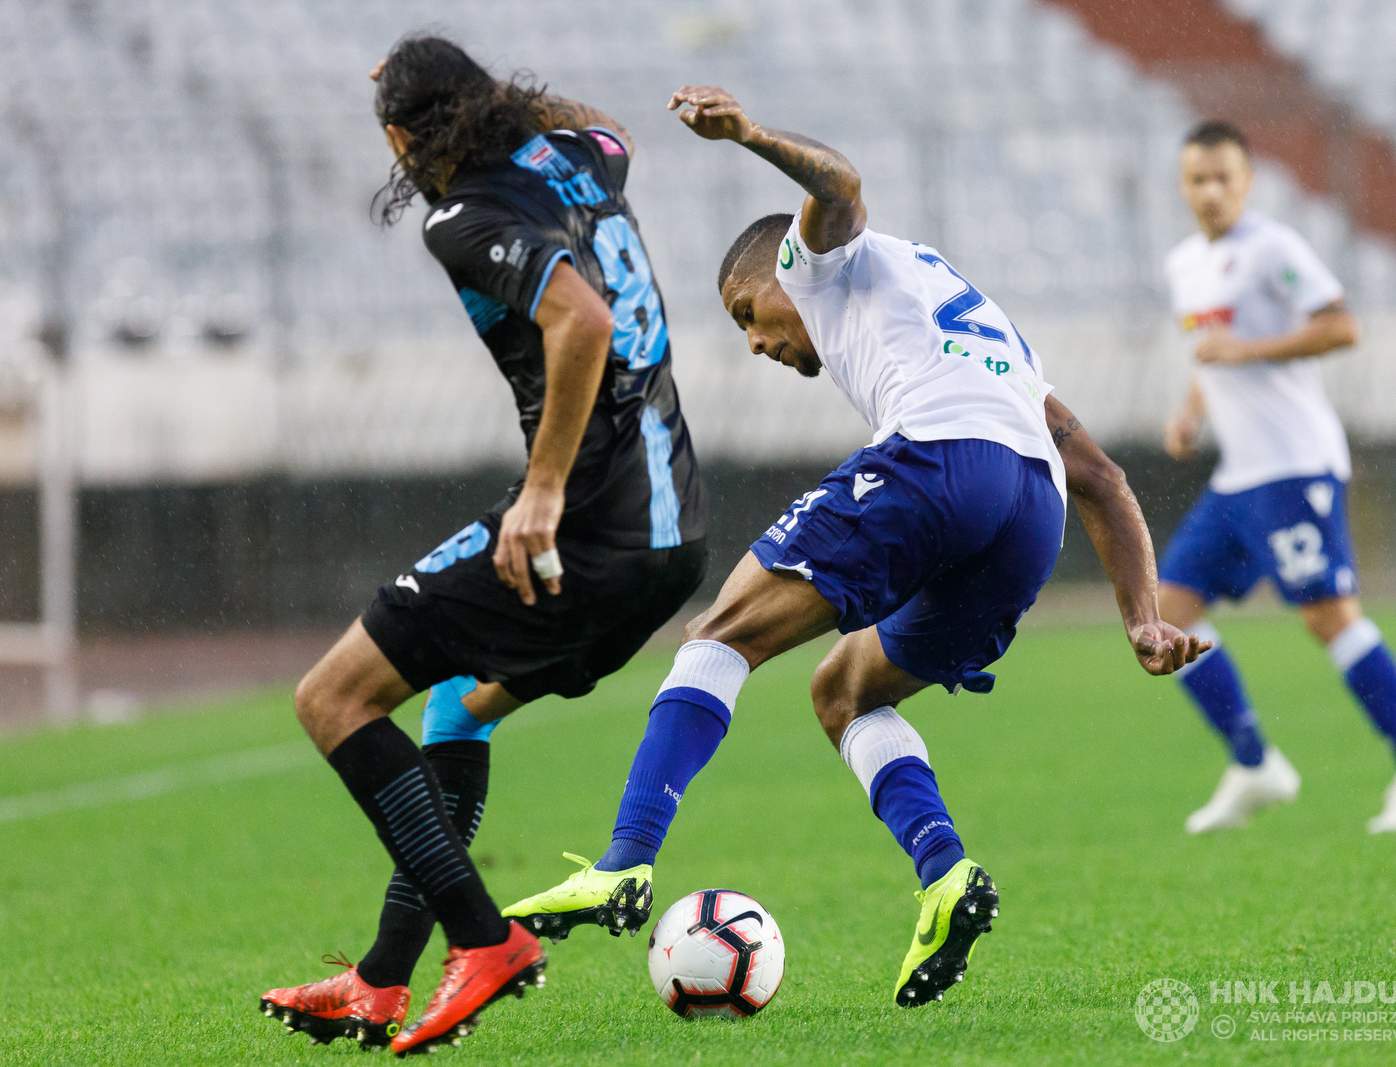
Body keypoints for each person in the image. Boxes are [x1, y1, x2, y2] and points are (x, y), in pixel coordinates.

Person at [501, 86, 1207, 1008]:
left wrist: (748, 135)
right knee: (843, 689)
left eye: (745, 313)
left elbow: (839, 186)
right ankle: (946, 873)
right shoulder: (973, 322)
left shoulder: (818, 265)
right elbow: (1104, 481)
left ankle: (624, 862)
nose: (754, 340)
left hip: (934, 463)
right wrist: (1142, 618)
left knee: (716, 635)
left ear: (772, 273)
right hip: (1027, 511)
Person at [258, 37, 707, 1054]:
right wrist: (512, 102)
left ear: (397, 137)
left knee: (331, 698)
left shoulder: (462, 217)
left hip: (595, 526)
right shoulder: (575, 156)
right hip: (674, 532)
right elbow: (615, 129)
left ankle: (485, 940)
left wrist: (541, 492)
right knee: (457, 702)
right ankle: (380, 978)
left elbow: (581, 321)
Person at [1158, 120, 1396, 835]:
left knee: (1328, 616)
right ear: (1183, 184)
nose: (1209, 192)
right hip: (1241, 473)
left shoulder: (1272, 248)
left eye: (1222, 179)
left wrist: (1250, 350)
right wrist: (1191, 407)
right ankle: (1254, 763)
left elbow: (1340, 327)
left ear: (1247, 182)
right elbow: (1214, 351)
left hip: (1295, 464)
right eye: (1196, 180)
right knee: (1169, 610)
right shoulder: (1183, 265)